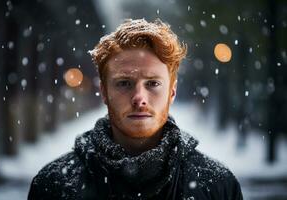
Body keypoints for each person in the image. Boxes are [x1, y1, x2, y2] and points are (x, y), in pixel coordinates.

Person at [28, 18, 243, 200]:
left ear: (172, 92)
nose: (139, 98)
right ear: (104, 91)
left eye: (152, 84)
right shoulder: (54, 185)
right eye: (124, 83)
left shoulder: (218, 186)